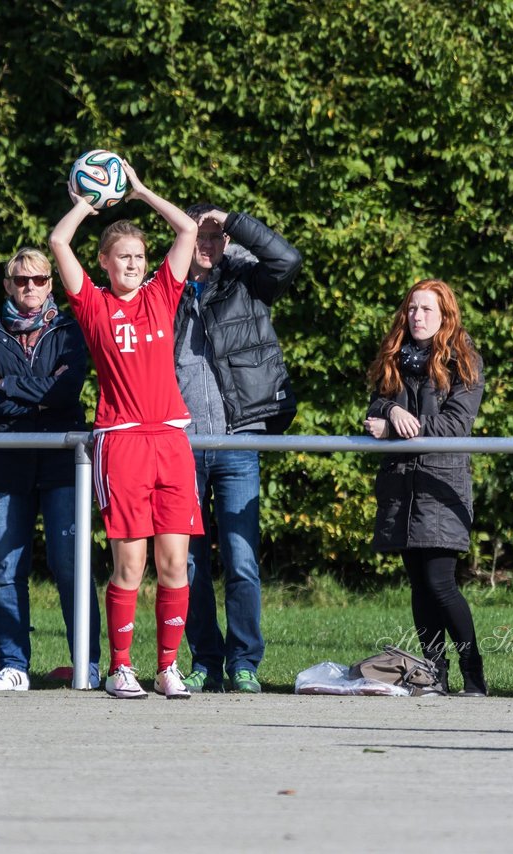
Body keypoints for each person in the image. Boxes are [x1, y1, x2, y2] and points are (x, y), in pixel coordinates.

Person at [49, 159, 201, 700]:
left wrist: (137, 191)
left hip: (170, 441)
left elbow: (187, 229)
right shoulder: (94, 306)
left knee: (174, 562)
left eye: (139, 256)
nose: (134, 263)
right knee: (131, 564)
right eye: (124, 257)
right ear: (106, 263)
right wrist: (89, 203)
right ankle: (119, 667)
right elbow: (58, 242)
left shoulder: (164, 294)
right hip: (122, 440)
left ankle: (167, 668)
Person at [173, 203, 302, 694]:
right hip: (181, 444)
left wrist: (233, 219)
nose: (205, 246)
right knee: (187, 565)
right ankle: (205, 659)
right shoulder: (165, 290)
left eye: (213, 237)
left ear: (226, 240)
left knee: (242, 559)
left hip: (238, 439)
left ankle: (244, 661)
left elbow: (287, 261)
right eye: (196, 237)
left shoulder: (247, 281)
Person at [0, 248, 102, 691]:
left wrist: (13, 386)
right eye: (21, 280)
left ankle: (88, 662)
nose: (30, 287)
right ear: (7, 284)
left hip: (64, 461)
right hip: (7, 462)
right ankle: (13, 664)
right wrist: (34, 393)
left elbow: (67, 390)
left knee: (71, 566)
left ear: (50, 284)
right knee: (7, 569)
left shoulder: (69, 329)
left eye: (39, 280)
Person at [364, 278, 487, 697]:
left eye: (427, 310)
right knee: (419, 584)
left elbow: (455, 426)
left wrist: (397, 427)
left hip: (440, 486)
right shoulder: (394, 357)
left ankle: (474, 672)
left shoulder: (464, 360)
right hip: (401, 486)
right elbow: (375, 408)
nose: (418, 317)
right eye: (413, 309)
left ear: (445, 316)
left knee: (440, 583)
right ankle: (434, 673)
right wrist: (391, 408)